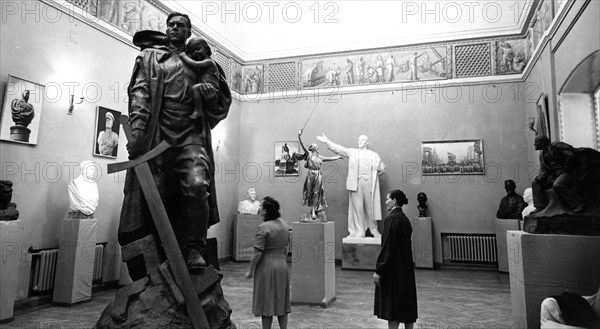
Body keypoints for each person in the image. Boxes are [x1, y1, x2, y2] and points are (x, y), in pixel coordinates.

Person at [120, 12, 232, 274]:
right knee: (154, 197)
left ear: (188, 31)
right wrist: (137, 131)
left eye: (180, 25)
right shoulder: (150, 58)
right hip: (157, 137)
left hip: (192, 136)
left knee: (196, 186)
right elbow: (140, 93)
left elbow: (219, 101)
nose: (174, 28)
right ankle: (161, 254)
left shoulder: (200, 61)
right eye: (170, 25)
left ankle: (194, 248)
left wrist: (208, 94)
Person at [316, 134, 386, 238]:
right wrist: (327, 141)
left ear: (367, 142)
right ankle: (360, 231)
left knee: (370, 208)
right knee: (357, 208)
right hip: (355, 184)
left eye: (362, 140)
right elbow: (340, 149)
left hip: (368, 183)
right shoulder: (353, 152)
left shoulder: (373, 155)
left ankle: (374, 230)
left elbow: (382, 167)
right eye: (359, 140)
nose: (360, 142)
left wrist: (381, 169)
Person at [373, 189, 418, 329]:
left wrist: (379, 270)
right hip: (405, 269)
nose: (386, 201)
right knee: (406, 306)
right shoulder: (404, 219)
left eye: (388, 199)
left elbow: (388, 247)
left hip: (394, 270)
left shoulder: (392, 219)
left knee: (392, 308)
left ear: (394, 201)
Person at [245, 197, 291, 329]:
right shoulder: (284, 225)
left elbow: (257, 252)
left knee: (267, 303)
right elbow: (286, 248)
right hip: (282, 265)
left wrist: (250, 270)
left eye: (261, 207)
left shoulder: (263, 227)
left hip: (266, 267)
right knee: (282, 302)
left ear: (265, 211)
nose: (259, 208)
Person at [531, 135, 600, 214]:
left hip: (567, 173)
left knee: (558, 185)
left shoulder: (556, 145)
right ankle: (540, 206)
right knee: (535, 183)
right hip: (555, 175)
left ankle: (579, 203)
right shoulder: (542, 155)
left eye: (536, 142)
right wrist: (541, 176)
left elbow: (570, 155)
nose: (534, 144)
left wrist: (566, 169)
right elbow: (543, 169)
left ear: (543, 142)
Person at [295, 129, 342, 219]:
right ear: (313, 149)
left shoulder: (320, 157)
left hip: (317, 175)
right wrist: (299, 136)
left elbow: (330, 159)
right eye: (316, 147)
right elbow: (302, 145)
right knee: (309, 192)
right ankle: (312, 207)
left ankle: (314, 210)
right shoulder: (309, 155)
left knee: (316, 192)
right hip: (310, 174)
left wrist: (338, 157)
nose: (317, 148)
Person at [178, 36, 221, 120]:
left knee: (195, 88)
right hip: (205, 86)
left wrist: (184, 56)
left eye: (198, 49)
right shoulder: (203, 62)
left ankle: (198, 110)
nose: (195, 52)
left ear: (206, 49)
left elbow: (195, 64)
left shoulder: (209, 62)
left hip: (211, 88)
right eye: (193, 51)